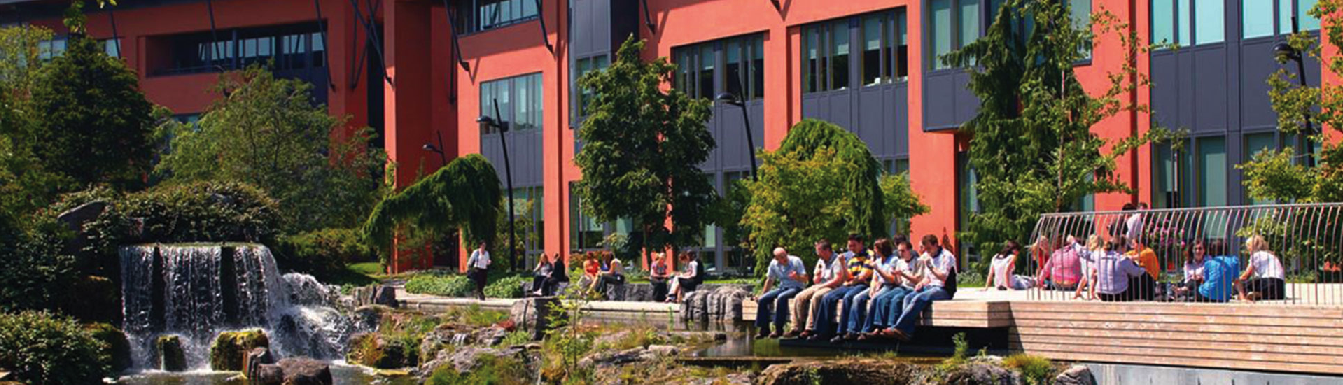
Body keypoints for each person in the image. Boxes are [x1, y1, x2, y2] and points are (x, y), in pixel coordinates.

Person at [889, 234, 957, 342]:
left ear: (936, 245)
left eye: (929, 249)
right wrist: (921, 283)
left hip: (943, 289)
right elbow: (927, 278)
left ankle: (899, 327)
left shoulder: (946, 256)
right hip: (929, 286)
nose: (928, 251)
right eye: (926, 249)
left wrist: (930, 266)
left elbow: (943, 277)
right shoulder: (928, 256)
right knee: (908, 297)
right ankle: (907, 332)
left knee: (919, 298)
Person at [809, 234, 873, 342]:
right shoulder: (853, 257)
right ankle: (822, 331)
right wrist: (843, 264)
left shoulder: (869, 255)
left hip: (864, 284)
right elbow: (846, 276)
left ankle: (842, 331)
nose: (851, 249)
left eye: (854, 245)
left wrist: (851, 281)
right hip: (851, 283)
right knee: (828, 297)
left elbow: (863, 276)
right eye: (850, 246)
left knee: (848, 297)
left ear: (861, 243)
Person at [787, 239, 846, 339]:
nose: (818, 254)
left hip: (832, 286)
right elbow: (815, 281)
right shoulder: (820, 261)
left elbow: (838, 279)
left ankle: (809, 328)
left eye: (820, 252)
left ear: (827, 250)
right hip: (819, 285)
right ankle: (796, 327)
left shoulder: (836, 260)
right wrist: (817, 275)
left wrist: (823, 286)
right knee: (799, 297)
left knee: (816, 297)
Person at [840, 238, 897, 341]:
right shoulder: (878, 261)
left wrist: (878, 269)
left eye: (876, 248)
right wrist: (872, 288)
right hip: (877, 286)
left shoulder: (893, 260)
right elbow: (874, 278)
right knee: (857, 298)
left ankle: (867, 330)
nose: (875, 251)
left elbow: (892, 279)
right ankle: (852, 330)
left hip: (889, 285)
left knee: (875, 299)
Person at [865, 238, 923, 340]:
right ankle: (879, 326)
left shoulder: (917, 262)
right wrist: (896, 276)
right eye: (899, 251)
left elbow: (917, 280)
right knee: (883, 298)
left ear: (909, 250)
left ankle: (892, 326)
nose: (900, 253)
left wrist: (903, 274)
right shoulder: (900, 262)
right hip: (901, 287)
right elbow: (897, 282)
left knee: (895, 300)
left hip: (911, 288)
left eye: (903, 251)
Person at [754, 248, 808, 339]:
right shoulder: (773, 264)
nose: (785, 258)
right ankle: (764, 328)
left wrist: (797, 277)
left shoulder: (796, 261)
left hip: (796, 287)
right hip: (782, 287)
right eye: (781, 257)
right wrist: (763, 294)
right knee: (763, 300)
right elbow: (770, 280)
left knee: (781, 297)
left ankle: (779, 328)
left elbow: (805, 279)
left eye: (785, 255)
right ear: (776, 258)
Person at [1236, 235, 1286, 301]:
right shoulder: (1271, 255)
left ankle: (1252, 294)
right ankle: (1259, 294)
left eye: (1248, 245)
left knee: (1241, 286)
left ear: (1254, 246)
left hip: (1267, 281)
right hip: (1279, 287)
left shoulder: (1256, 255)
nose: (1247, 248)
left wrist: (1236, 282)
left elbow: (1246, 275)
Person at [1124, 236, 1159, 301]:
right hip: (1141, 276)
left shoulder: (1148, 252)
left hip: (1150, 278)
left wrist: (1127, 257)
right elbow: (1124, 256)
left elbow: (1133, 257)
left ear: (1140, 244)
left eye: (1134, 244)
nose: (1132, 246)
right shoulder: (1134, 251)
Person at [1073, 235, 1104, 300]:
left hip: (1087, 267)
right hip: (1093, 268)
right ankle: (1091, 294)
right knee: (1091, 279)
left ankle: (1078, 292)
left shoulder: (1086, 250)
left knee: (1085, 277)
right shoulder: (1098, 251)